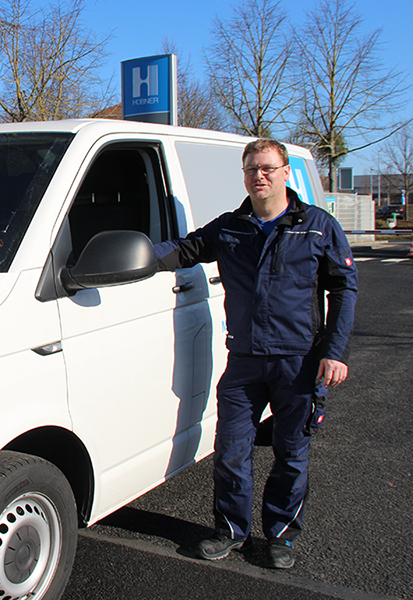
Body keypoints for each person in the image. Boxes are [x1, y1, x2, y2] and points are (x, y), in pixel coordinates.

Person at [153, 138, 357, 569]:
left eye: (266, 168)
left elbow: (343, 289)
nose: (258, 176)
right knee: (231, 450)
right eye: (250, 170)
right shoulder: (231, 227)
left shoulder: (318, 226)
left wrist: (333, 352)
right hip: (244, 360)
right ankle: (230, 530)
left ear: (285, 172)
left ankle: (280, 536)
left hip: (298, 362)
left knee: (291, 454)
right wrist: (134, 254)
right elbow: (184, 249)